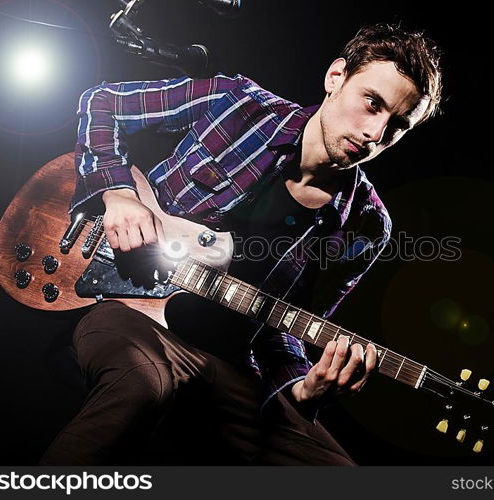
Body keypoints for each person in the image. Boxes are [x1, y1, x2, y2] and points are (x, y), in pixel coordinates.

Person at [40, 23, 442, 465]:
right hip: (129, 307)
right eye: (372, 103)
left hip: (227, 362)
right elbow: (103, 103)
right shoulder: (236, 104)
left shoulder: (366, 226)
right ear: (336, 77)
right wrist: (117, 193)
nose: (374, 133)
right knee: (141, 385)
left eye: (397, 124)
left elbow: (283, 329)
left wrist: (304, 389)